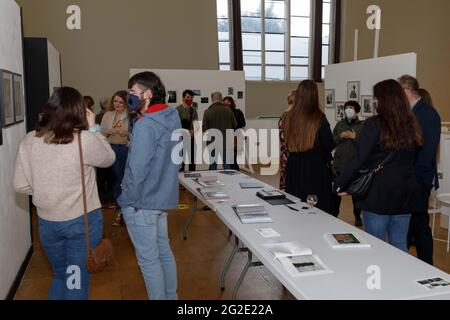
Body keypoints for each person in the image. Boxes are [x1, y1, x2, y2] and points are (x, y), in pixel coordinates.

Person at [13, 87, 115, 300]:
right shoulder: (84, 139)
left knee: (61, 275)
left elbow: (20, 185)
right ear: (79, 111)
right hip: (82, 223)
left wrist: (47, 189)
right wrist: (95, 128)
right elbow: (108, 158)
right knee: (76, 281)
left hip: (47, 223)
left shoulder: (30, 139)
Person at [335, 79, 423, 252]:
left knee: (376, 246)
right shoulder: (411, 124)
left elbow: (359, 158)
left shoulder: (373, 124)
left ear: (383, 100)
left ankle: (379, 278)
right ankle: (399, 278)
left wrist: (341, 183)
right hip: (406, 192)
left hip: (378, 194)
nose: (374, 102)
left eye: (375, 98)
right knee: (399, 244)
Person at [118, 71, 180, 300]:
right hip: (161, 198)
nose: (129, 96)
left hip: (142, 202)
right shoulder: (171, 116)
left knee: (148, 260)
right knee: (163, 251)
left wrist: (126, 200)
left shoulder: (146, 126)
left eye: (134, 92)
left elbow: (137, 170)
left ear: (148, 94)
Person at [399, 75, 441, 265]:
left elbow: (427, 152)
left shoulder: (428, 114)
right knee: (409, 223)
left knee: (419, 223)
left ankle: (427, 264)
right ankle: (406, 262)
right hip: (409, 178)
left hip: (418, 180)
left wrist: (412, 179)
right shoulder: (411, 112)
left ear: (407, 90)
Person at [284, 80, 339, 216]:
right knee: (317, 206)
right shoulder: (318, 117)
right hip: (315, 167)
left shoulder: (290, 117)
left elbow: (286, 141)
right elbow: (329, 144)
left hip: (294, 165)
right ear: (315, 95)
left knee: (296, 203)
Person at [333, 100, 364, 226]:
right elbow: (332, 142)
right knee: (337, 191)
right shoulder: (339, 124)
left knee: (355, 194)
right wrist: (341, 136)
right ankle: (334, 214)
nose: (348, 110)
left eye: (351, 107)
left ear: (356, 110)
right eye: (346, 108)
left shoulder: (362, 125)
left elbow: (365, 144)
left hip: (355, 164)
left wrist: (354, 137)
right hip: (339, 163)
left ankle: (357, 216)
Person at [100, 91, 129, 227]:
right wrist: (108, 131)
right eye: (115, 101)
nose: (117, 104)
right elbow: (101, 132)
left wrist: (127, 133)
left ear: (125, 103)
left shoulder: (130, 116)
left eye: (120, 102)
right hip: (112, 150)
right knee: (117, 180)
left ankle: (127, 211)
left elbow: (136, 133)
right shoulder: (108, 115)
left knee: (126, 180)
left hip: (127, 150)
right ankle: (120, 211)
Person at [203, 92, 237, 170]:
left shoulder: (207, 112)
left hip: (213, 143)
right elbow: (235, 125)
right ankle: (229, 182)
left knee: (213, 166)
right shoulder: (228, 110)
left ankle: (212, 182)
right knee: (227, 166)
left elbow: (204, 129)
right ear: (221, 99)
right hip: (227, 143)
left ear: (212, 99)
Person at [177, 90, 199, 172]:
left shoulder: (193, 110)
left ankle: (192, 180)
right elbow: (175, 125)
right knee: (181, 162)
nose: (190, 99)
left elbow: (196, 124)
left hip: (191, 138)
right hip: (181, 139)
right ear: (183, 98)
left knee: (192, 161)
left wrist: (193, 131)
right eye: (188, 97)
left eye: (191, 97)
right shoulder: (177, 110)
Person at [278, 91, 296, 191]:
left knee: (285, 175)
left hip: (284, 152)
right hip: (289, 152)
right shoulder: (291, 116)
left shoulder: (284, 115)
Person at [223, 96, 246, 171]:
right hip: (227, 136)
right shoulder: (223, 113)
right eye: (225, 102)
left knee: (232, 158)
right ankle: (234, 172)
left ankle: (235, 173)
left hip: (235, 137)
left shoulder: (238, 112)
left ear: (231, 103)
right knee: (229, 158)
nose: (226, 104)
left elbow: (243, 123)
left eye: (228, 102)